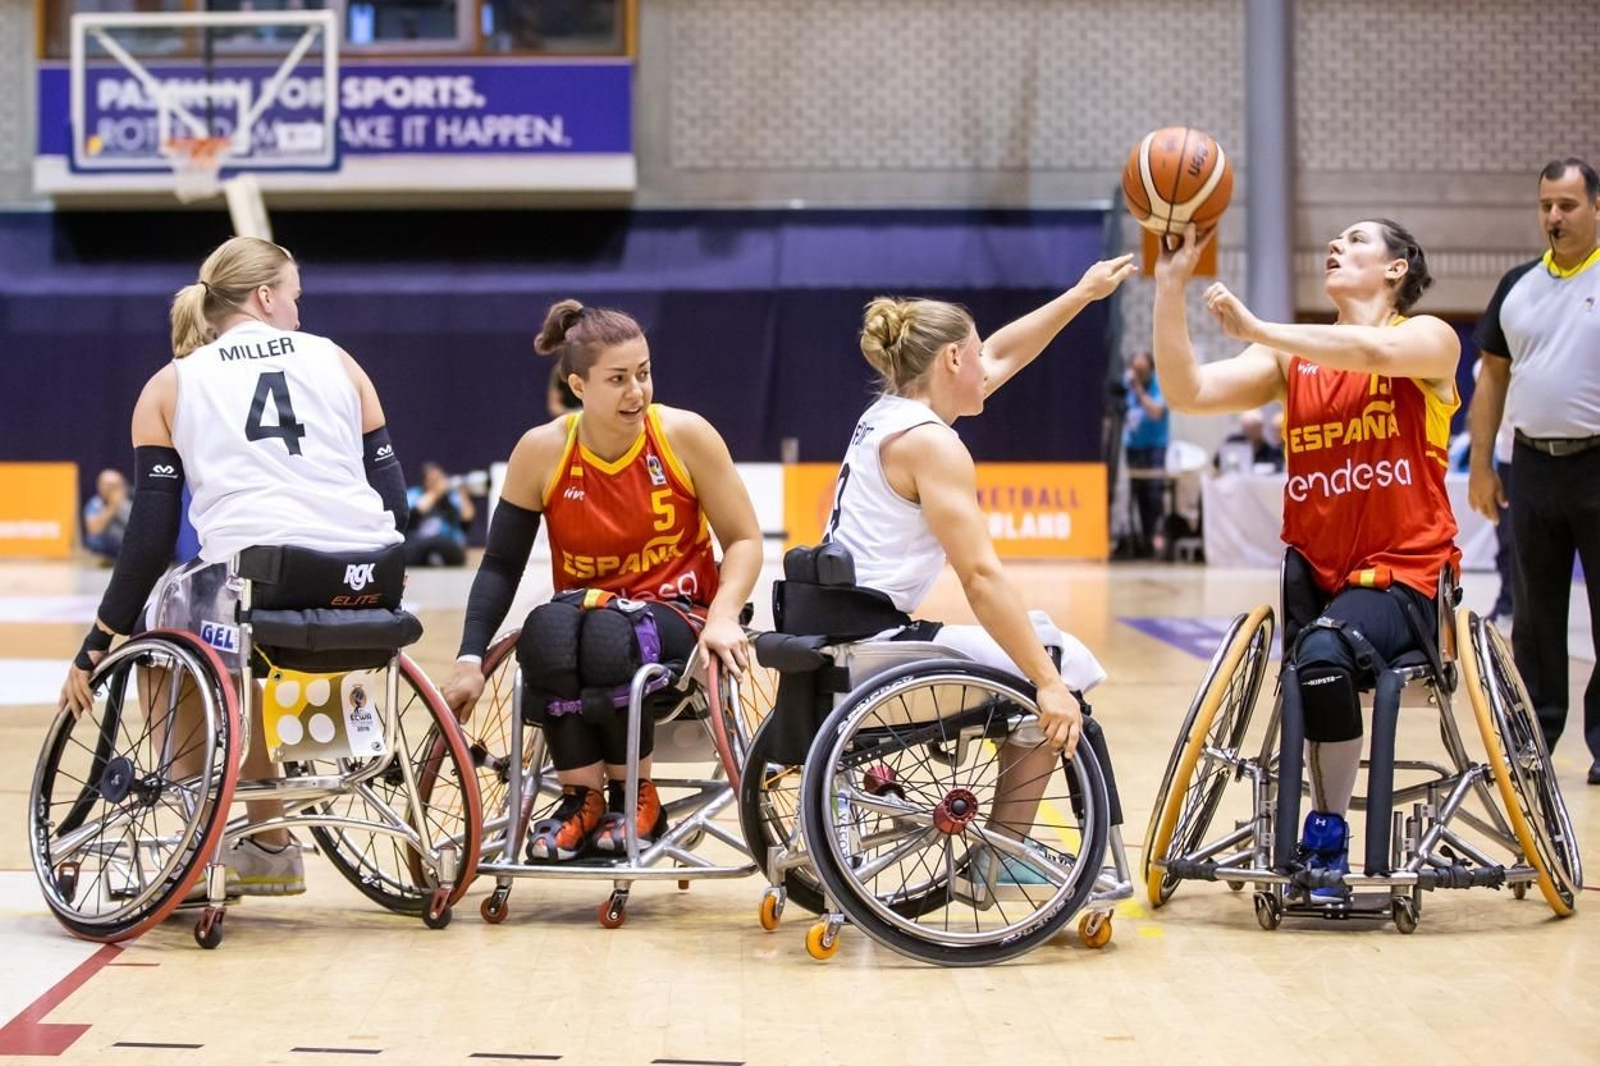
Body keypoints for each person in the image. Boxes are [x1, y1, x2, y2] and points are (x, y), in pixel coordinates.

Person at [57, 236, 409, 895]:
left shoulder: (170, 384)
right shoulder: (338, 360)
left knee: (172, 625)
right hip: (368, 575)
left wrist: (99, 642)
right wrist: (390, 570)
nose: (300, 314)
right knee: (257, 645)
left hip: (263, 576)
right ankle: (270, 840)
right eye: (296, 298)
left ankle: (202, 843)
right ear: (267, 297)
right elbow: (392, 495)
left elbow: (153, 539)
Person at [1153, 218, 1461, 894]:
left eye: (1355, 240)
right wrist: (1170, 286)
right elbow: (1189, 392)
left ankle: (1326, 831)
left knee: (1322, 654)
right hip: (1320, 579)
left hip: (1401, 577)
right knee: (1319, 656)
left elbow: (1370, 355)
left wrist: (1260, 329)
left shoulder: (1429, 340)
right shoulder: (1293, 364)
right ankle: (1322, 812)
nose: (1334, 246)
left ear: (1397, 267)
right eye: (1334, 239)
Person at [823, 253, 1135, 882]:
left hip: (839, 629)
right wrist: (1046, 681)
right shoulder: (933, 444)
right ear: (951, 362)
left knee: (1038, 634)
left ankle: (1002, 839)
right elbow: (981, 579)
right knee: (1059, 658)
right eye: (974, 352)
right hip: (874, 647)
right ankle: (1001, 856)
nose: (987, 363)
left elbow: (1005, 353)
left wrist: (1079, 294)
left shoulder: (887, 416)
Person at [442, 300, 762, 860]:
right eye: (618, 379)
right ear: (578, 385)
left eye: (644, 373)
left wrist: (725, 615)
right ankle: (580, 801)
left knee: (611, 633)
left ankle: (637, 797)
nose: (637, 391)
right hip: (588, 615)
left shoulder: (685, 435)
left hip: (679, 616)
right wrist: (470, 658)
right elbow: (499, 565)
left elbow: (745, 540)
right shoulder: (541, 451)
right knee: (546, 631)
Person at [1468, 157, 1600, 785]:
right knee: (1534, 617)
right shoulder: (1518, 285)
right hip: (1531, 467)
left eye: (1567, 205)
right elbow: (1491, 376)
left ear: (1596, 208)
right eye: (1546, 205)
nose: (1554, 217)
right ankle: (1533, 740)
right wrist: (1481, 466)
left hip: (1598, 463)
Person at [1122, 350, 1170, 557]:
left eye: (1142, 370)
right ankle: (1142, 540)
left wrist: (1140, 391)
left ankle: (1157, 536)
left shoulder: (1158, 384)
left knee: (1153, 493)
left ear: (1150, 368)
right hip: (1133, 445)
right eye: (1135, 369)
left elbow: (1157, 411)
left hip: (1155, 446)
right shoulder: (1128, 383)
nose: (1138, 373)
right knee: (1137, 495)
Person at [404, 461, 476, 566]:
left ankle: (435, 559)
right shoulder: (415, 494)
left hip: (447, 542)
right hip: (419, 542)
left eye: (439, 479)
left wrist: (463, 493)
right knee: (421, 546)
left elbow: (467, 519)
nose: (436, 483)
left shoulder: (451, 496)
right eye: (432, 480)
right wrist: (435, 493)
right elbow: (413, 514)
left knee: (440, 543)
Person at [1212, 408, 1285, 473]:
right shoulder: (1232, 442)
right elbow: (1216, 464)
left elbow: (1278, 470)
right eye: (1246, 429)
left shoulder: (1271, 451)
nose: (1249, 433)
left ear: (1260, 427)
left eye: (1252, 428)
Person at [82, 468, 132, 561]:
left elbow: (137, 527)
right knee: (92, 541)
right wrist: (112, 507)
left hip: (128, 542)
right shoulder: (95, 503)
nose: (110, 489)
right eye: (107, 485)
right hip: (108, 542)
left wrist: (121, 505)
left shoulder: (131, 502)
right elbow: (93, 530)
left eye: (114, 486)